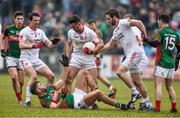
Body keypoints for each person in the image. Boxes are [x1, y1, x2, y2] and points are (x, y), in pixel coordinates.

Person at [99, 9, 153, 110]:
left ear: (115, 17)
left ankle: (134, 92)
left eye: (108, 19)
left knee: (120, 71)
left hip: (135, 52)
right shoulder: (116, 31)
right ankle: (147, 103)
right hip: (131, 54)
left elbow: (139, 22)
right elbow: (110, 45)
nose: (107, 21)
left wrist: (144, 36)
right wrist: (97, 51)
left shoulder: (123, 22)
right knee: (137, 81)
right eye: (106, 19)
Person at [19, 12, 60, 106]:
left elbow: (49, 44)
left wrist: (53, 42)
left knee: (51, 76)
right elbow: (20, 45)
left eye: (38, 20)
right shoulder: (24, 31)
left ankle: (47, 97)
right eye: (35, 20)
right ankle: (27, 102)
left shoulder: (40, 32)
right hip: (25, 58)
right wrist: (33, 46)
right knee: (34, 76)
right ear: (30, 21)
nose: (37, 22)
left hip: (35, 59)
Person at [29, 72, 128, 110]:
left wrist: (66, 66)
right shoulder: (44, 101)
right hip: (78, 103)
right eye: (40, 85)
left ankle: (98, 98)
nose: (43, 84)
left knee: (83, 72)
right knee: (98, 93)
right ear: (37, 90)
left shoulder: (49, 87)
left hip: (76, 95)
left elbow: (62, 80)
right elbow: (56, 108)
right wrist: (62, 98)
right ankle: (119, 105)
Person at [142, 14, 179, 112]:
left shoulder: (160, 32)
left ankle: (157, 108)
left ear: (161, 21)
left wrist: (145, 39)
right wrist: (177, 60)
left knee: (158, 85)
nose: (158, 23)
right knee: (170, 86)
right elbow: (179, 47)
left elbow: (155, 44)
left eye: (158, 21)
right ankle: (174, 107)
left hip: (161, 62)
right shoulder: (175, 33)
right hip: (171, 63)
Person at [60, 15, 104, 92]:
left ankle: (92, 103)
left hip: (88, 58)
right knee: (68, 80)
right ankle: (67, 101)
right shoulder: (71, 32)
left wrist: (93, 51)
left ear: (79, 24)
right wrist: (67, 57)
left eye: (74, 27)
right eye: (72, 27)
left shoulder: (90, 33)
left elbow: (100, 44)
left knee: (94, 83)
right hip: (76, 57)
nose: (73, 29)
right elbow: (69, 44)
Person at [76, 19, 116, 98]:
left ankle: (95, 92)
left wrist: (95, 54)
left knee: (93, 74)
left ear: (96, 24)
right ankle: (109, 88)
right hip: (95, 54)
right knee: (96, 74)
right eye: (89, 25)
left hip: (97, 55)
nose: (91, 26)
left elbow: (100, 43)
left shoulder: (97, 32)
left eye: (92, 24)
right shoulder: (91, 32)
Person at [119, 14, 152, 110]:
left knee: (135, 81)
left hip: (139, 57)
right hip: (139, 56)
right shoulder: (136, 29)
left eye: (127, 21)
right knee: (134, 81)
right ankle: (142, 102)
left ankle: (145, 102)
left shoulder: (131, 29)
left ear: (130, 20)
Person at [0, 11, 25, 104]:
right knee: (14, 77)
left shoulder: (26, 29)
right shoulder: (8, 29)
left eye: (21, 19)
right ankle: (20, 99)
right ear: (14, 19)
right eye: (18, 19)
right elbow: (2, 37)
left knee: (21, 81)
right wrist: (2, 49)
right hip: (10, 56)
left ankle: (19, 93)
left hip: (22, 57)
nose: (20, 21)